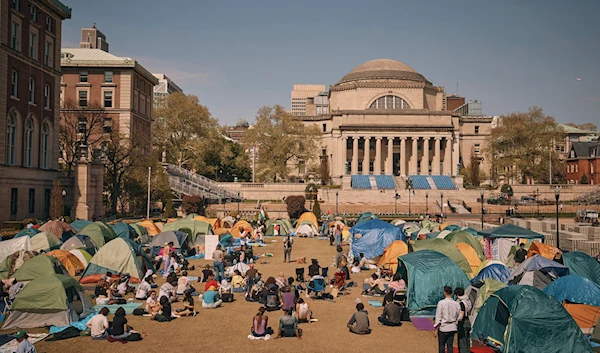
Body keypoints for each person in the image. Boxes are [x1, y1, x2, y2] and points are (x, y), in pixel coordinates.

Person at [434, 286, 460, 353]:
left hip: (444, 327)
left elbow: (438, 317)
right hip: (452, 327)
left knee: (442, 345)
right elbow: (458, 316)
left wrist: (436, 329)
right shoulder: (456, 304)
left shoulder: (441, 303)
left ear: (444, 292)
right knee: (450, 345)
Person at [455, 287, 472, 353]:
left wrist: (457, 321)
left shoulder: (461, 302)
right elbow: (470, 311)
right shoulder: (468, 300)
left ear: (457, 294)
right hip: (468, 321)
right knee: (467, 341)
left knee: (462, 342)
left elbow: (462, 313)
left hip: (463, 323)